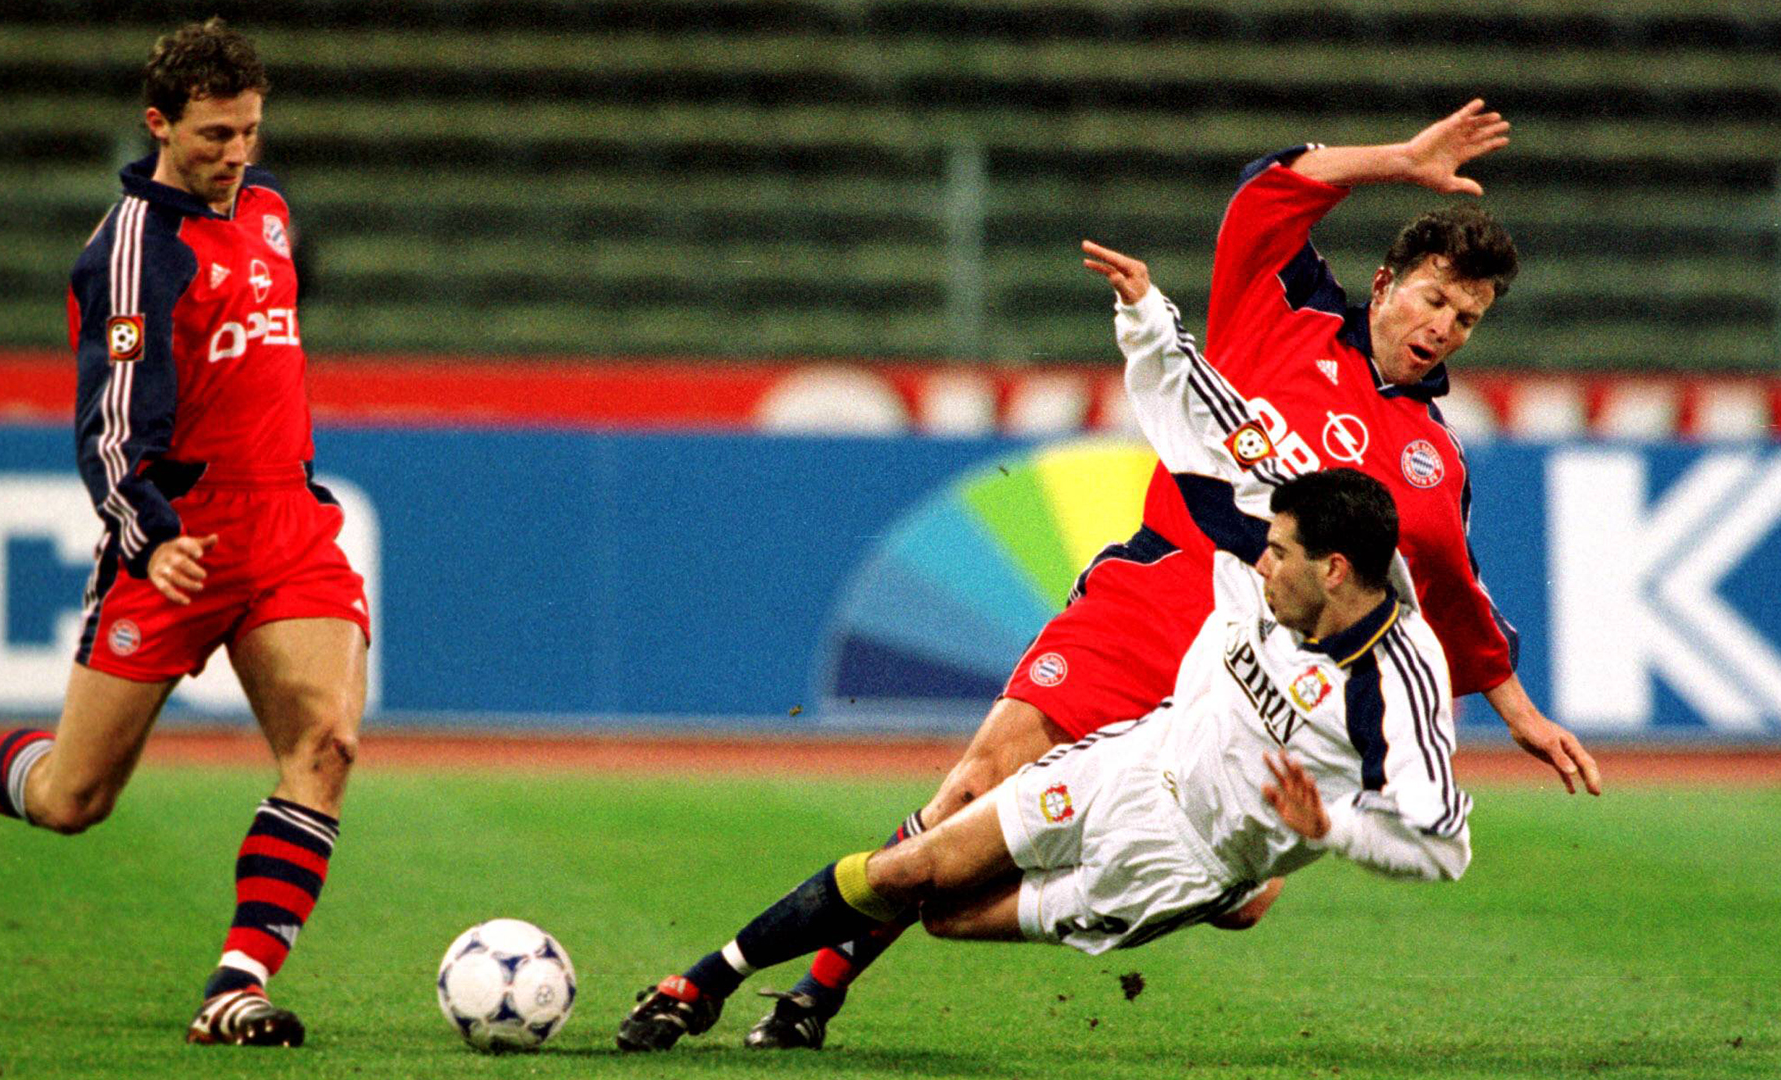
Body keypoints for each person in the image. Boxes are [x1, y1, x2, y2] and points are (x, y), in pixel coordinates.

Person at [736, 100, 1602, 1051]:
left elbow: (1449, 591)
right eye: (1435, 299)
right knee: (971, 787)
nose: (1446, 327)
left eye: (1469, 319)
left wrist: (1519, 710)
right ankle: (810, 996)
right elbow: (1267, 193)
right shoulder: (1285, 312)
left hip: (1251, 675)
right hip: (1150, 604)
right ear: (1387, 282)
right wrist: (1397, 159)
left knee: (1219, 901)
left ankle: (1173, 883)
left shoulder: (1437, 460)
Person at [0, 19, 369, 1048]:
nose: (237, 155)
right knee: (70, 798)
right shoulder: (132, 254)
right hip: (178, 538)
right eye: (217, 134)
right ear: (159, 125)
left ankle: (236, 985)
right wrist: (147, 533)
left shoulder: (268, 208)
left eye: (251, 131)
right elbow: (103, 425)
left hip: (285, 519)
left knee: (326, 746)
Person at [617, 467, 1470, 1052]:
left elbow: (1439, 840)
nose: (1260, 559)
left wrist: (1338, 829)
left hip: (1173, 857)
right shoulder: (1256, 549)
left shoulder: (1389, 677)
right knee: (922, 863)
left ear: (1335, 567)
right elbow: (1190, 402)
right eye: (1439, 297)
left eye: (1279, 552)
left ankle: (1240, 875)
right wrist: (1143, 317)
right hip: (1137, 748)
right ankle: (707, 986)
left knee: (949, 916)